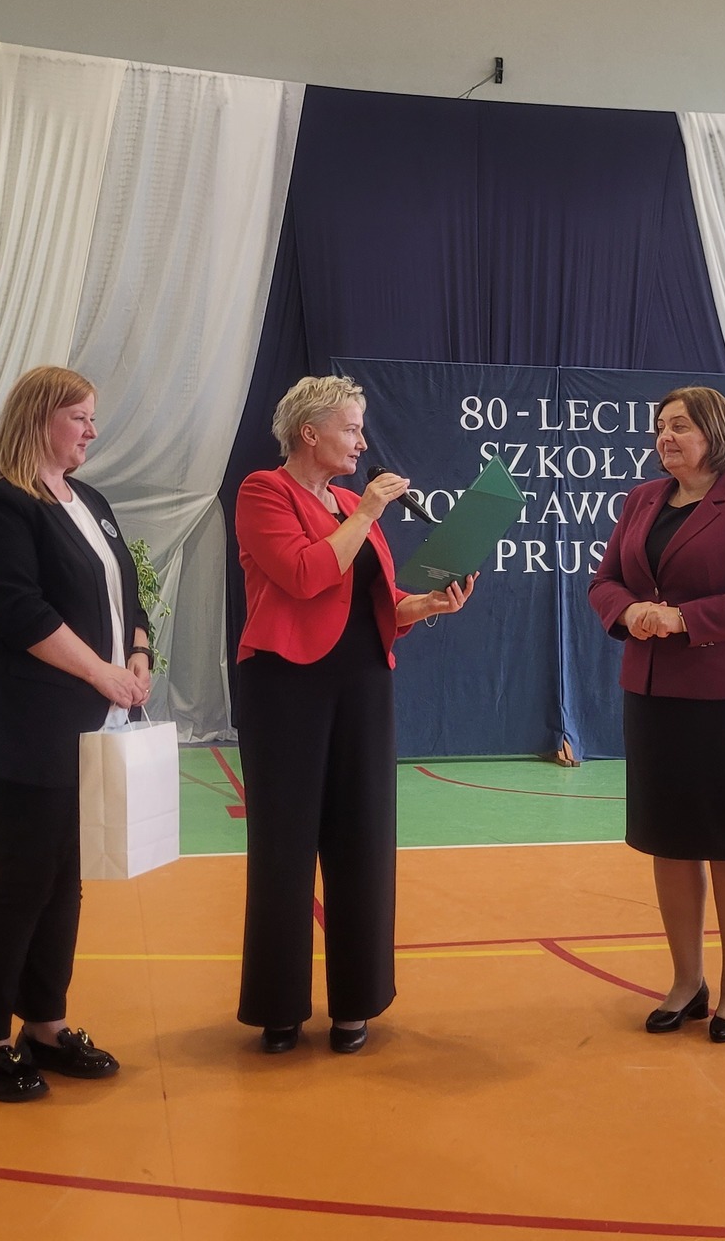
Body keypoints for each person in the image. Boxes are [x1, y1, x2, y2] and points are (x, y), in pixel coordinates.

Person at [231, 375, 475, 1055]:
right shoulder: (264, 491)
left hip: (363, 682)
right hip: (286, 685)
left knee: (363, 839)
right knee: (284, 847)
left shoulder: (345, 503)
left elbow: (377, 602)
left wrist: (427, 605)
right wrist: (365, 514)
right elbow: (305, 576)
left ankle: (356, 1003)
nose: (363, 442)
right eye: (352, 429)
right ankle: (279, 1007)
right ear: (309, 433)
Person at [0, 365, 151, 1101]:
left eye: (92, 417)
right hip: (19, 726)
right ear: (38, 419)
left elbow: (127, 591)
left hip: (83, 727)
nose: (93, 430)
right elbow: (19, 611)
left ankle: (45, 1023)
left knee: (63, 881)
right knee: (19, 882)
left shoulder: (90, 501)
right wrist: (101, 672)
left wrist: (137, 653)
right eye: (80, 417)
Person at [587, 386, 725, 1044]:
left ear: (716, 432)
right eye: (661, 426)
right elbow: (604, 581)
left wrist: (684, 618)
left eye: (679, 425)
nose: (665, 437)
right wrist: (629, 610)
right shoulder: (642, 500)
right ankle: (687, 981)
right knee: (670, 842)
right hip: (655, 693)